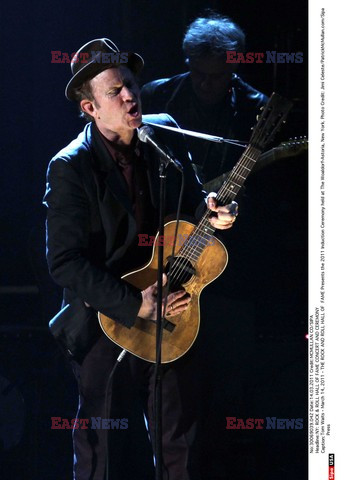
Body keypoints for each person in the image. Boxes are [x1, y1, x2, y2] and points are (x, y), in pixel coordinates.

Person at [43, 38, 237, 480]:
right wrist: (135, 303)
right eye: (115, 91)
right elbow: (65, 262)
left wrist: (218, 216)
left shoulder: (162, 130)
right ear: (90, 107)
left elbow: (192, 209)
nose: (130, 96)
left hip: (170, 316)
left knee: (179, 442)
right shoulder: (70, 166)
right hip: (103, 320)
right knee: (101, 450)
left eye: (131, 84)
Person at [141, 12, 268, 185]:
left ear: (234, 67)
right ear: (189, 63)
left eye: (217, 77)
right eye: (198, 73)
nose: (205, 84)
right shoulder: (156, 94)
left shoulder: (257, 107)